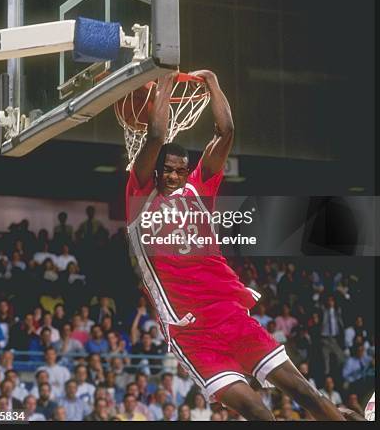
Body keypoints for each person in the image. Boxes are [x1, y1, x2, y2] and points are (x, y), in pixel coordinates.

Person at [125, 70, 346, 421]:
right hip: (190, 331)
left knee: (305, 392)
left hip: (229, 314)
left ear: (187, 173)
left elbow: (226, 132)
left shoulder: (199, 191)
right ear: (155, 171)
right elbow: (154, 136)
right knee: (259, 412)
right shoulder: (138, 195)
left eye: (179, 170)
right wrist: (164, 81)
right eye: (166, 169)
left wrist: (212, 81)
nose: (172, 175)